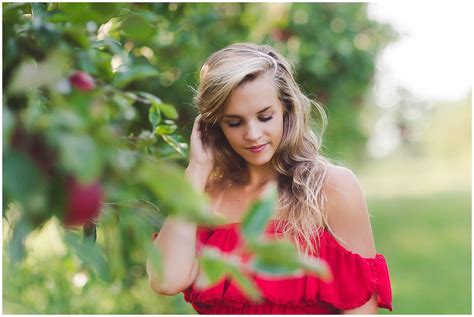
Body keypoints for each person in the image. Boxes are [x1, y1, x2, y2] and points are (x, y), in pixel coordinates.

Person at [146, 43, 392, 314]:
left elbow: (360, 309)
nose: (252, 134)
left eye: (265, 117)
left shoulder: (332, 188)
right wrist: (197, 169)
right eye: (235, 122)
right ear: (213, 126)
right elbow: (166, 280)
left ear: (287, 110)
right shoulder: (204, 196)